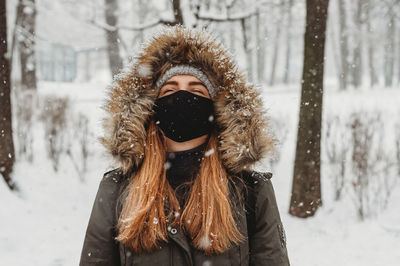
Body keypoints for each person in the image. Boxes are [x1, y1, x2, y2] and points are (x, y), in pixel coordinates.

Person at [79, 26, 290, 266]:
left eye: (196, 90)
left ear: (217, 110)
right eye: (169, 90)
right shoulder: (117, 189)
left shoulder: (250, 191)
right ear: (151, 109)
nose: (182, 98)